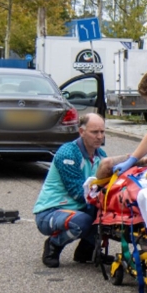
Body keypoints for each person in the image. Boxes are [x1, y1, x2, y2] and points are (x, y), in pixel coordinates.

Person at [33, 113, 107, 268]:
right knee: (83, 221)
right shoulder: (68, 153)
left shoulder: (101, 155)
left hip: (80, 209)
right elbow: (78, 193)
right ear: (81, 132)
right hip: (51, 211)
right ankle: (53, 245)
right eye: (95, 132)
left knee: (109, 214)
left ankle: (86, 251)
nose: (100, 136)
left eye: (102, 131)